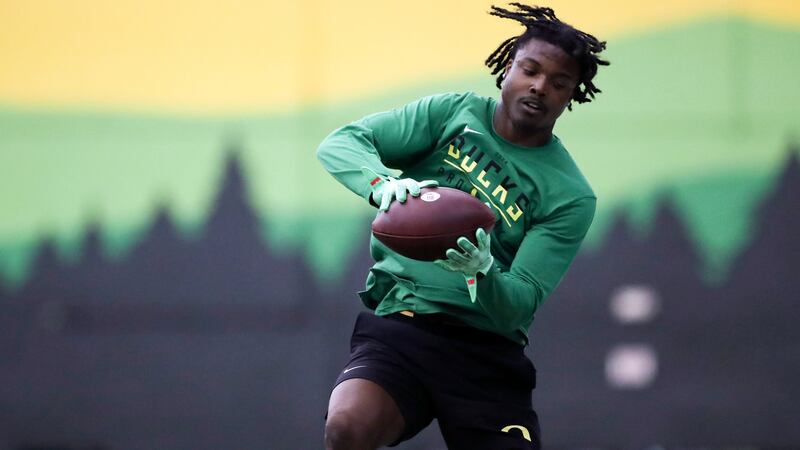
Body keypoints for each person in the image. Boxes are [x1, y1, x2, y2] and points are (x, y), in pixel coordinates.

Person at [316, 3, 608, 449]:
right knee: (347, 428)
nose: (539, 86)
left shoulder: (570, 194)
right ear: (507, 68)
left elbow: (522, 301)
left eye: (559, 82)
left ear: (571, 95)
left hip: (486, 354)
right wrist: (383, 185)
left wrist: (483, 271)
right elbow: (341, 143)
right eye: (530, 70)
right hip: (405, 324)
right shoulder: (453, 113)